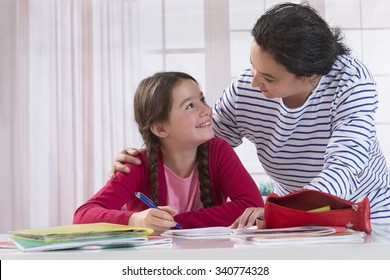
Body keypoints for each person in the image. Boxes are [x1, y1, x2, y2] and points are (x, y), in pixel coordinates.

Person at [110, 2, 390, 228]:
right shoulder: (248, 87)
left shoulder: (350, 82)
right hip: (291, 217)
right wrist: (143, 159)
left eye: (268, 77)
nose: (254, 82)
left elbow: (344, 166)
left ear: (309, 76)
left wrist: (280, 212)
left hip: (366, 213)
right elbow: (199, 141)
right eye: (252, 66)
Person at [73, 72, 264, 234]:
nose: (206, 110)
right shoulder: (137, 164)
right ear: (160, 129)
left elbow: (252, 206)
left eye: (202, 100)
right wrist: (135, 221)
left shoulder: (218, 151)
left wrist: (175, 223)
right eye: (190, 106)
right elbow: (82, 216)